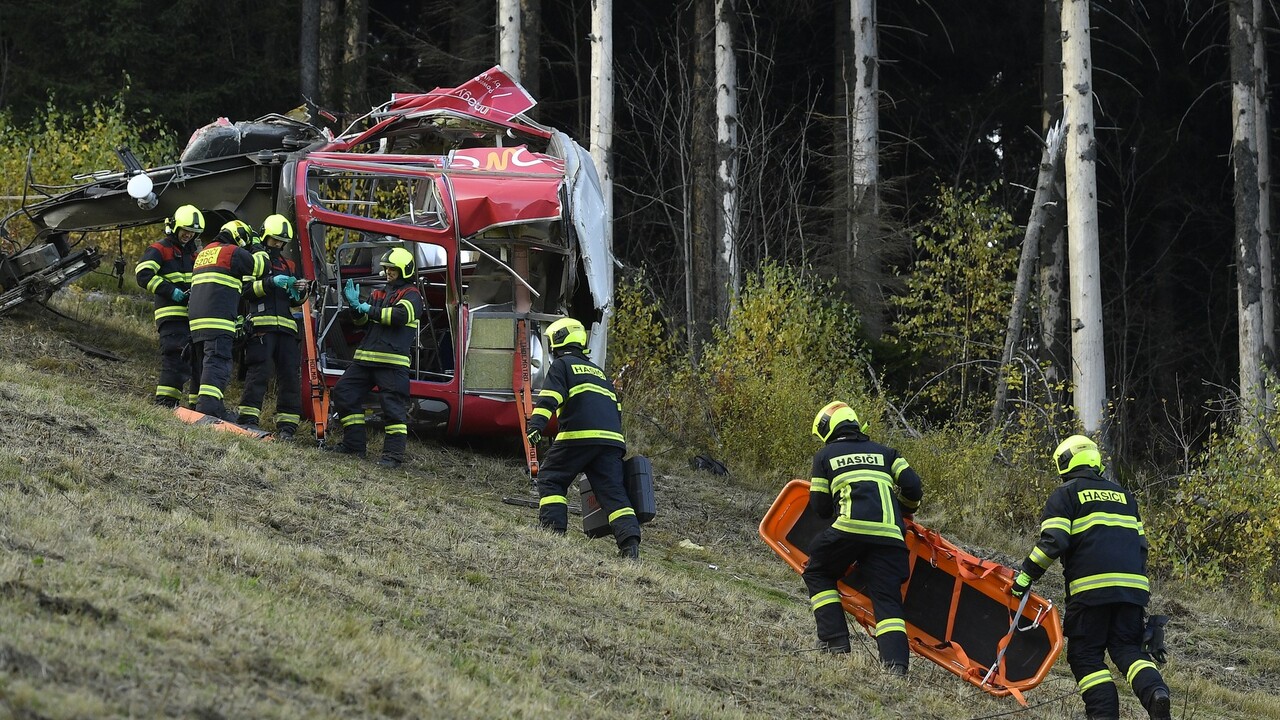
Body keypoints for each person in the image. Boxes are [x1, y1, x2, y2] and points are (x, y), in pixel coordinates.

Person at [1011, 435, 1171, 720]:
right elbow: (1142, 547)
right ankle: (1157, 692)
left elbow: (1054, 542)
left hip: (1090, 591)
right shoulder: (1125, 497)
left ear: (1065, 463)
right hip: (1132, 591)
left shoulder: (1066, 494)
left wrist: (1026, 575)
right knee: (1127, 649)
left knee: (1085, 656)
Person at [801, 401, 922, 674]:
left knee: (817, 571)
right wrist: (904, 510)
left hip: (848, 529)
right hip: (891, 535)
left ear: (828, 430)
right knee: (888, 600)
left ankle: (835, 643)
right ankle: (896, 668)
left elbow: (819, 507)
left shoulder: (826, 456)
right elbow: (913, 486)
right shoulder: (887, 453)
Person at [525, 317, 641, 560]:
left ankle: (552, 531)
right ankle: (630, 545)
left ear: (558, 340)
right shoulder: (600, 374)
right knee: (613, 493)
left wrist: (536, 425)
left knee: (551, 478)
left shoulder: (563, 366)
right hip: (611, 442)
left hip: (578, 437)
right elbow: (616, 410)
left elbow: (550, 398)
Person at [328, 246, 423, 467]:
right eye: (387, 268)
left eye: (393, 269)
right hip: (366, 359)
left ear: (405, 271)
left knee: (393, 409)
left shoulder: (412, 295)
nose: (388, 273)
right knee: (344, 392)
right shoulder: (379, 293)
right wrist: (355, 308)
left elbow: (399, 316)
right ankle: (354, 445)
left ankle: (392, 457)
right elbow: (362, 323)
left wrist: (366, 308)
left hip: (391, 361)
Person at [235, 214, 306, 440]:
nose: (278, 245)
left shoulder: (289, 264)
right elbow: (245, 290)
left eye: (281, 242)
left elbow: (293, 300)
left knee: (289, 376)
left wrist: (300, 292)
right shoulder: (254, 259)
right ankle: (248, 419)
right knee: (259, 372)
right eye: (274, 240)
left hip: (286, 329)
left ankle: (288, 426)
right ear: (265, 237)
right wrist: (269, 282)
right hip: (261, 327)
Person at [187, 219, 267, 419]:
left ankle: (196, 405)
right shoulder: (233, 252)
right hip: (218, 320)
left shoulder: (204, 253)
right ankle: (209, 408)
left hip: (196, 321)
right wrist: (257, 245)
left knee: (202, 364)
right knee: (217, 362)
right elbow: (261, 267)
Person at [134, 204, 203, 407]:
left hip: (191, 317)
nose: (188, 235)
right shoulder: (160, 248)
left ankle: (194, 407)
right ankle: (164, 403)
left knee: (193, 361)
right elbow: (143, 274)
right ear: (175, 227)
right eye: (185, 230)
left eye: (193, 232)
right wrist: (171, 291)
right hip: (171, 315)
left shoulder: (194, 256)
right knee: (174, 357)